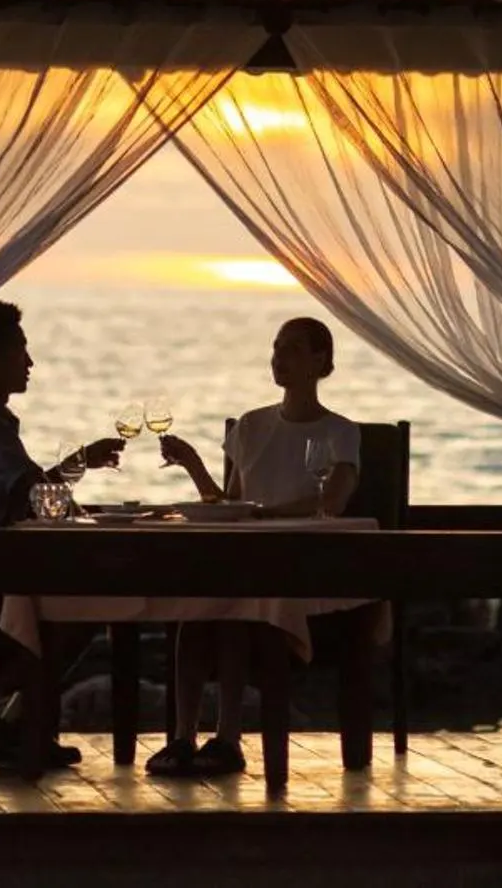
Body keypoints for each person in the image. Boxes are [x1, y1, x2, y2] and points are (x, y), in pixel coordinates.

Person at [149, 315, 360, 775]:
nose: (278, 358)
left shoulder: (341, 432)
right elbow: (228, 503)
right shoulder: (250, 426)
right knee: (197, 613)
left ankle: (227, 739)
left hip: (298, 571)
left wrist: (266, 513)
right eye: (276, 347)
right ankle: (184, 737)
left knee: (233, 613)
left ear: (320, 361)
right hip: (245, 564)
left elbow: (334, 501)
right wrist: (192, 465)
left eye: (292, 349)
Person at [0, 298, 123, 766]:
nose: (30, 363)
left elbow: (29, 493)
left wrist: (80, 464)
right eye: (21, 354)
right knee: (81, 612)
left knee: (72, 604)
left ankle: (14, 725)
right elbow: (39, 496)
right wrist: (82, 465)